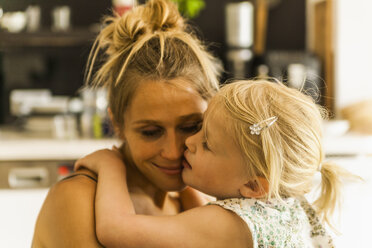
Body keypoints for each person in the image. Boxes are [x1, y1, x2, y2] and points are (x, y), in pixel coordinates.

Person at [74, 79, 358, 248]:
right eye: (199, 128)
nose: (189, 143)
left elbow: (115, 230)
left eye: (207, 143)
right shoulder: (284, 204)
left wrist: (111, 165)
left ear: (252, 185)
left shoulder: (224, 225)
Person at [32, 0, 222, 247]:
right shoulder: (78, 199)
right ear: (117, 124)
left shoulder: (190, 203)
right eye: (151, 132)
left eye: (190, 127)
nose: (174, 151)